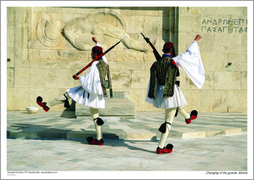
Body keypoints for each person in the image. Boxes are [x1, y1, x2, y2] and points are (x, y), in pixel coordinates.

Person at [36, 37, 113, 146]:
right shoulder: (103, 62)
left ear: (96, 54)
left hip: (90, 91)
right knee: (95, 116)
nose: (90, 55)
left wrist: (79, 78)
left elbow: (89, 80)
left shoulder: (95, 65)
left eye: (92, 53)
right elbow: (102, 55)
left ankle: (47, 105)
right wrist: (97, 42)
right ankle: (99, 139)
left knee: (69, 93)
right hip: (97, 93)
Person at [145, 34, 205, 154]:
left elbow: (159, 60)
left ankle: (188, 117)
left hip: (160, 92)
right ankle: (161, 147)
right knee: (168, 121)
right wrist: (195, 41)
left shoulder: (157, 63)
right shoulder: (174, 61)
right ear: (171, 50)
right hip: (170, 92)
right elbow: (189, 54)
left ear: (163, 50)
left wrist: (152, 47)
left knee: (177, 106)